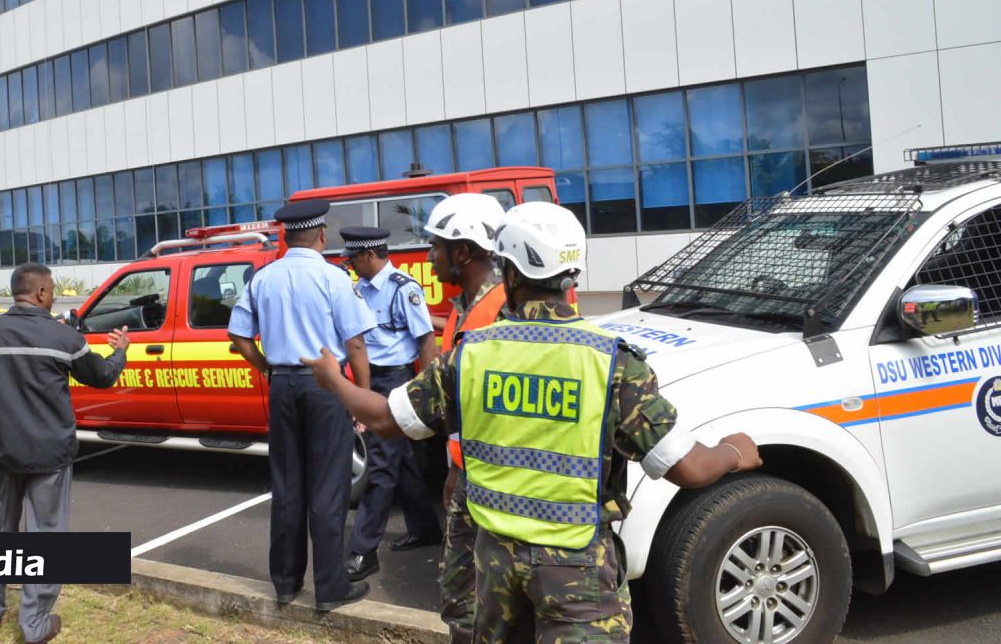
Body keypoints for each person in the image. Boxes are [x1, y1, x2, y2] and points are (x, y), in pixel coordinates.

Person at [301, 202, 763, 641]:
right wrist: (734, 452)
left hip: (494, 566)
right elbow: (689, 468)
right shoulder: (613, 362)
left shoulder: (472, 354)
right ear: (572, 272)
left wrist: (334, 380)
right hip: (576, 571)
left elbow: (385, 419)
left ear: (511, 272)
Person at [0, 263, 130, 644]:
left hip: (0, 452)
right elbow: (102, 376)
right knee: (46, 537)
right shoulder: (64, 338)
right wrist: (120, 352)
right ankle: (34, 624)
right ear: (41, 293)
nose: (54, 296)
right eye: (53, 290)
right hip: (48, 453)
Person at [227, 199, 376, 612]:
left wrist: (268, 369)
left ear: (285, 236)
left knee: (287, 486)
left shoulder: (263, 278)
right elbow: (356, 343)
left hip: (282, 386)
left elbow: (239, 335)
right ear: (322, 235)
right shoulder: (333, 278)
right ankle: (329, 588)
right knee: (328, 487)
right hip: (325, 386)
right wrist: (362, 399)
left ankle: (286, 583)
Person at [423, 193, 508, 644]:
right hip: (469, 471)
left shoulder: (499, 311)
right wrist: (455, 468)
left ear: (463, 252)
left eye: (436, 246)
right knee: (464, 600)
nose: (430, 257)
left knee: (482, 599)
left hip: (492, 479)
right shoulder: (466, 309)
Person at [339, 227, 443, 583]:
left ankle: (363, 551)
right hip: (373, 377)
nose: (350, 264)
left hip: (397, 380)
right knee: (403, 459)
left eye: (353, 258)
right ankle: (426, 528)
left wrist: (426, 390)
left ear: (369, 255)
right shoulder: (360, 289)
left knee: (381, 466)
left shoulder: (403, 289)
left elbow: (426, 339)